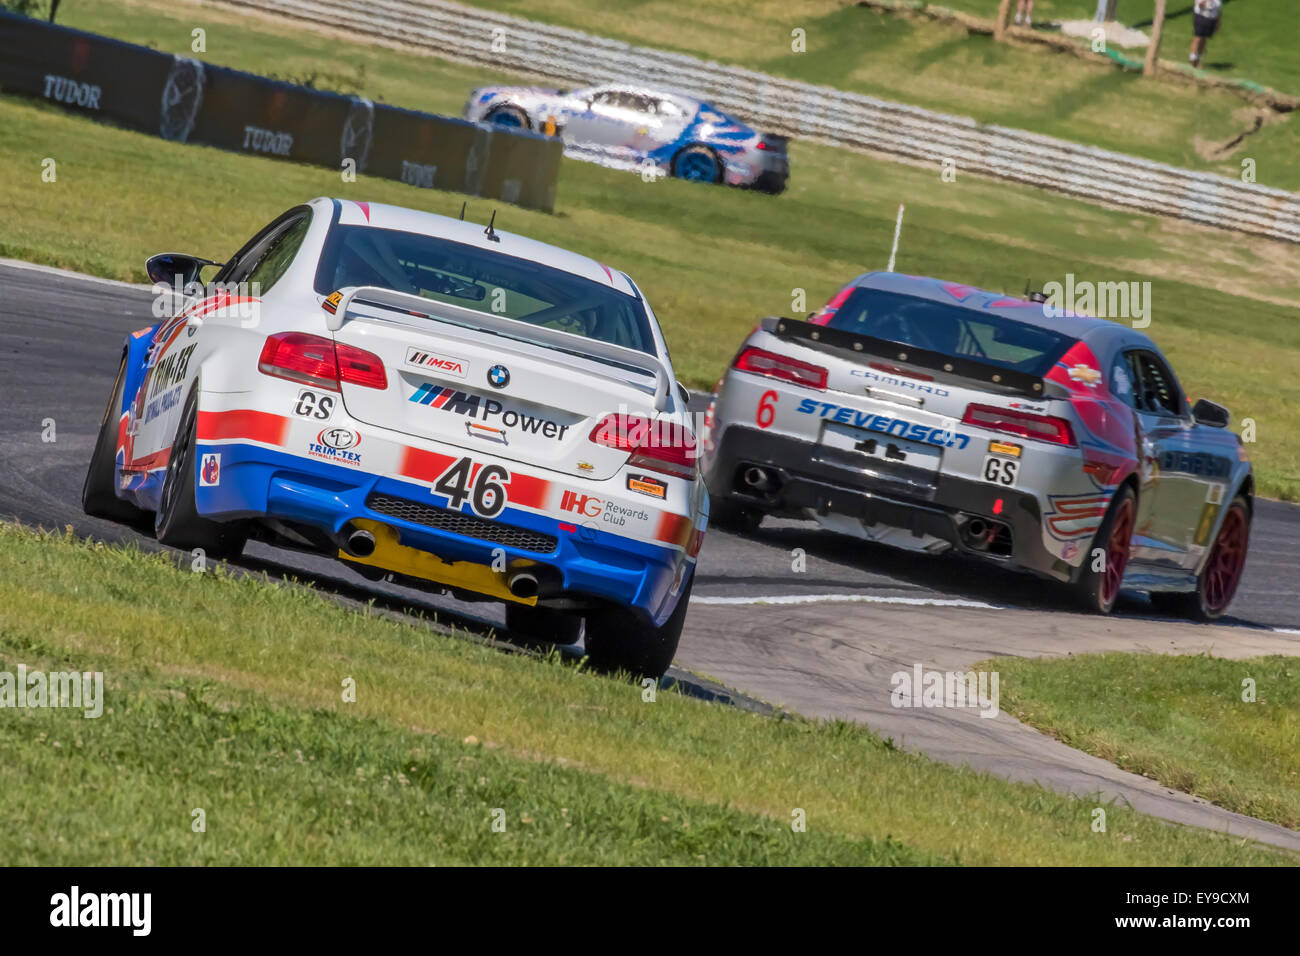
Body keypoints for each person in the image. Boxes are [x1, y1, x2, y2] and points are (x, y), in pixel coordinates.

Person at [1189, 0, 1223, 69]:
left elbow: (1219, 10)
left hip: (1211, 20)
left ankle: (1198, 59)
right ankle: (1192, 60)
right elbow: (1200, 6)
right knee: (1197, 38)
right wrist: (1205, 2)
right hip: (1200, 17)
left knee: (1204, 39)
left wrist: (1218, 22)